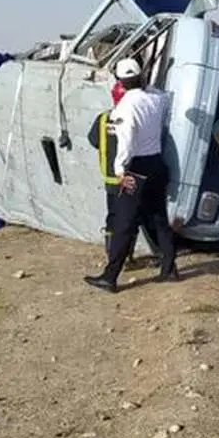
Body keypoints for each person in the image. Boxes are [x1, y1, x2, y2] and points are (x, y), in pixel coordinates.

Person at [84, 58, 178, 293]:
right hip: (157, 164)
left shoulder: (125, 107)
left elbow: (125, 141)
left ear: (119, 82)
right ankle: (169, 269)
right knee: (158, 218)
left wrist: (120, 171)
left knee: (124, 224)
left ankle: (110, 276)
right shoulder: (156, 99)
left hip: (136, 168)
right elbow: (161, 94)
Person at [88, 106, 160, 268]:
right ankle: (126, 258)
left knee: (113, 218)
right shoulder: (134, 117)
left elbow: (93, 140)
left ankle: (113, 256)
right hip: (129, 178)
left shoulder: (103, 118)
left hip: (110, 177)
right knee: (130, 218)